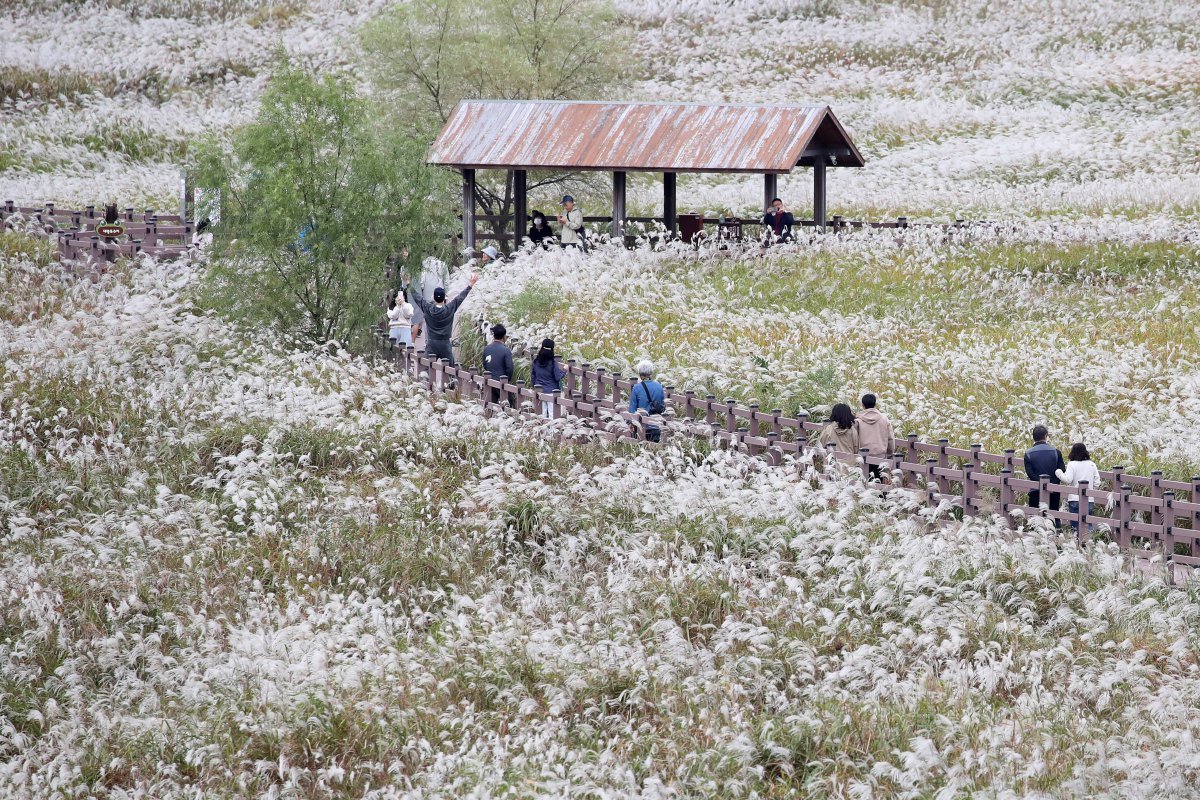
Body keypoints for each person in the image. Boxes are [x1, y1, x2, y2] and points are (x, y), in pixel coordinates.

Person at [409, 273, 479, 367]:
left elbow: (417, 297)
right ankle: (451, 382)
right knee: (451, 371)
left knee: (425, 370)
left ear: (433, 297)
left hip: (432, 343)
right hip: (445, 344)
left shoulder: (428, 308)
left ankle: (424, 381)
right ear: (444, 298)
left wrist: (408, 284)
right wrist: (470, 285)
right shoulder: (450, 309)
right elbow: (460, 297)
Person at [1023, 425, 1065, 527]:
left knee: (1035, 519)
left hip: (1035, 490)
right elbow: (1062, 470)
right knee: (1053, 516)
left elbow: (1030, 473)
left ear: (1033, 437)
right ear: (1046, 436)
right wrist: (1051, 485)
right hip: (1054, 490)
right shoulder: (1056, 452)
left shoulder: (1028, 454)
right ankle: (1056, 536)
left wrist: (1041, 484)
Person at [1056, 443, 1101, 534]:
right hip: (1089, 499)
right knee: (1087, 523)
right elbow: (1097, 482)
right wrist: (1090, 491)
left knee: (1075, 525)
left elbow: (1068, 480)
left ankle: (1076, 544)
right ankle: (1088, 543)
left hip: (1074, 499)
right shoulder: (1092, 464)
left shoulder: (1072, 464)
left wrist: (1058, 472)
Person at [856, 393, 894, 480]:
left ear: (862, 405)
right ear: (875, 404)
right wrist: (890, 455)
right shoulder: (884, 419)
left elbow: (854, 440)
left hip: (863, 459)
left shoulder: (858, 421)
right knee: (880, 486)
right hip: (881, 458)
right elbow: (891, 439)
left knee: (864, 485)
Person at [628, 360, 666, 442]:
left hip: (641, 427)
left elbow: (632, 409)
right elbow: (663, 405)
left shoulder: (636, 387)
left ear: (640, 373)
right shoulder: (659, 386)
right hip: (657, 425)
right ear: (651, 372)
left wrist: (630, 423)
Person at [530, 338, 567, 418]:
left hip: (539, 392)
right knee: (552, 416)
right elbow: (558, 377)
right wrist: (564, 370)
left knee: (541, 416)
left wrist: (535, 387)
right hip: (551, 392)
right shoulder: (553, 363)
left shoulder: (535, 362)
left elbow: (533, 377)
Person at [482, 323, 514, 405]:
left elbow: (485, 365)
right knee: (509, 404)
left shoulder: (487, 349)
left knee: (490, 405)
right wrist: (507, 379)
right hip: (501, 381)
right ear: (504, 337)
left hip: (488, 381)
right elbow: (509, 368)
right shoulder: (506, 350)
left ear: (493, 335)